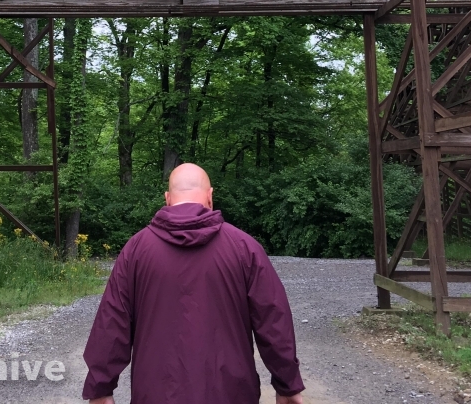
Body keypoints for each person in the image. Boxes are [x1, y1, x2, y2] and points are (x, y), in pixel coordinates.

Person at [82, 163, 305, 404]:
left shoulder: (136, 250)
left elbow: (112, 322)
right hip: (231, 394)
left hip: (156, 395)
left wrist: (100, 388)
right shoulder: (244, 248)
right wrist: (288, 385)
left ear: (167, 199)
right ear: (210, 196)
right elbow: (273, 319)